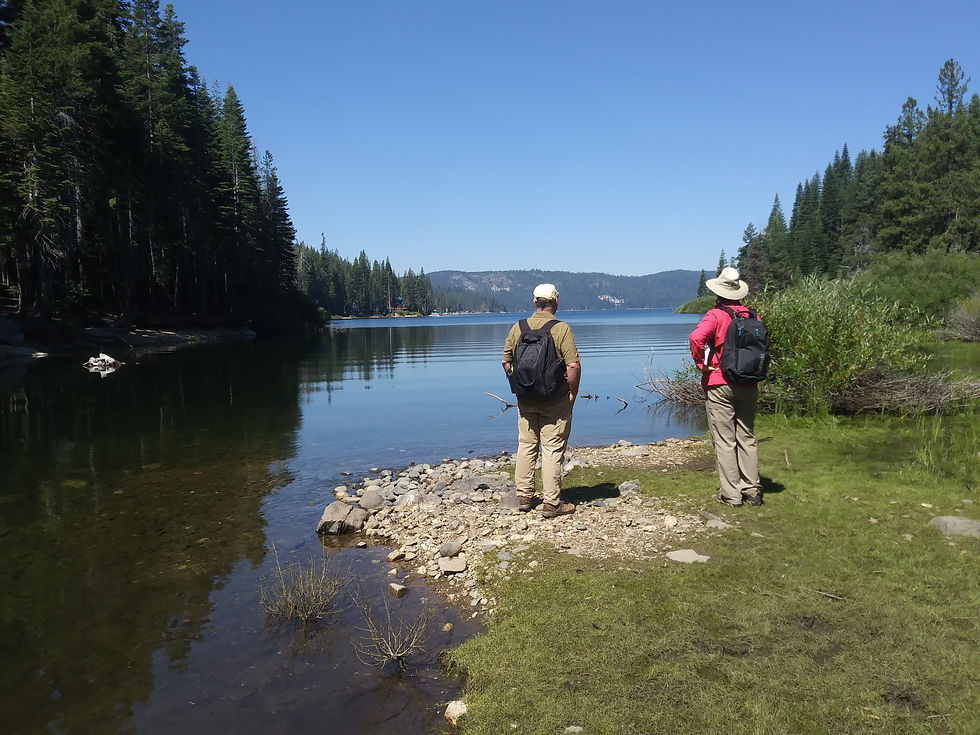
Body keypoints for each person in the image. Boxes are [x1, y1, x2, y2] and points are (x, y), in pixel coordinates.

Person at [501, 283, 581, 518]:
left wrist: (518, 383)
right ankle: (552, 503)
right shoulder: (561, 329)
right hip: (555, 399)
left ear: (534, 302)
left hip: (525, 399)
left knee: (526, 445)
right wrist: (573, 392)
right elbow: (573, 366)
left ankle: (524, 497)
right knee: (552, 448)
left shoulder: (518, 327)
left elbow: (506, 362)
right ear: (555, 301)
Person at [688, 267, 763, 507]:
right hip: (749, 381)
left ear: (718, 292)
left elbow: (695, 338)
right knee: (746, 436)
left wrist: (701, 364)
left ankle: (731, 494)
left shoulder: (716, 315)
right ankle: (752, 490)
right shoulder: (753, 316)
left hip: (720, 381)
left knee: (724, 440)